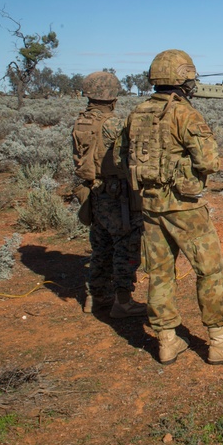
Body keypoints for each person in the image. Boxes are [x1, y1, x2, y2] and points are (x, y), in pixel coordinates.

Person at [115, 49, 223, 366]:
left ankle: (166, 341)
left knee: (160, 274)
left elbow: (119, 157)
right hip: (184, 207)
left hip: (150, 205)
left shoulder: (136, 113)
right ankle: (220, 342)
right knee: (209, 272)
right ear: (184, 77)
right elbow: (209, 161)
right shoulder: (185, 114)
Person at [71, 71, 146, 318]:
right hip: (117, 195)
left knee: (100, 247)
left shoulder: (81, 122)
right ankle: (123, 302)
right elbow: (130, 155)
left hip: (93, 192)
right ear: (113, 97)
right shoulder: (113, 123)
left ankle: (95, 297)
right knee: (126, 246)